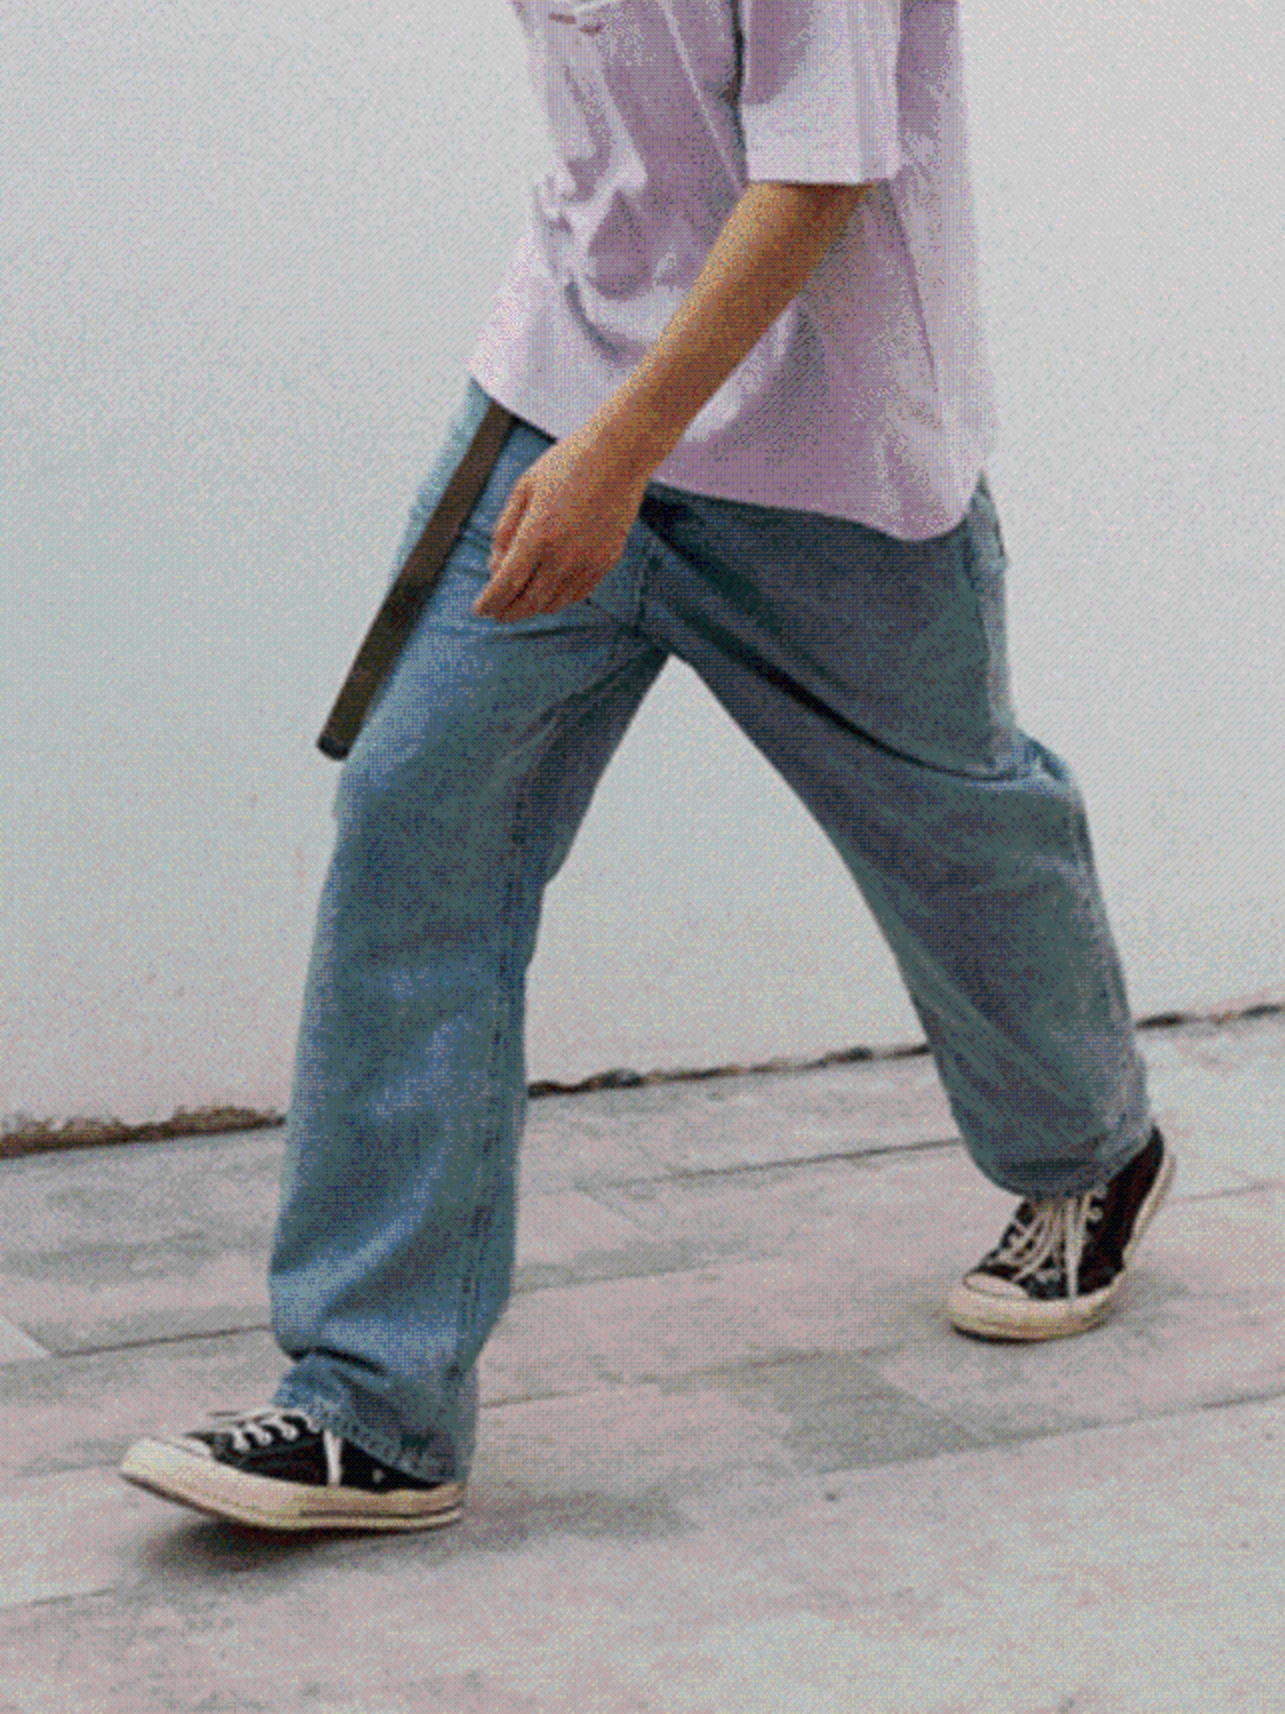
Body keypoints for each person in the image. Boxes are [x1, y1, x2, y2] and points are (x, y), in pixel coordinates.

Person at [120, 0, 1173, 1533]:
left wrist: (619, 456)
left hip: (820, 456)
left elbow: (821, 174)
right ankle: (373, 1401)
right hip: (555, 405)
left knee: (952, 820)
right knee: (416, 819)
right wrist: (582, 424)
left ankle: (1092, 1150)